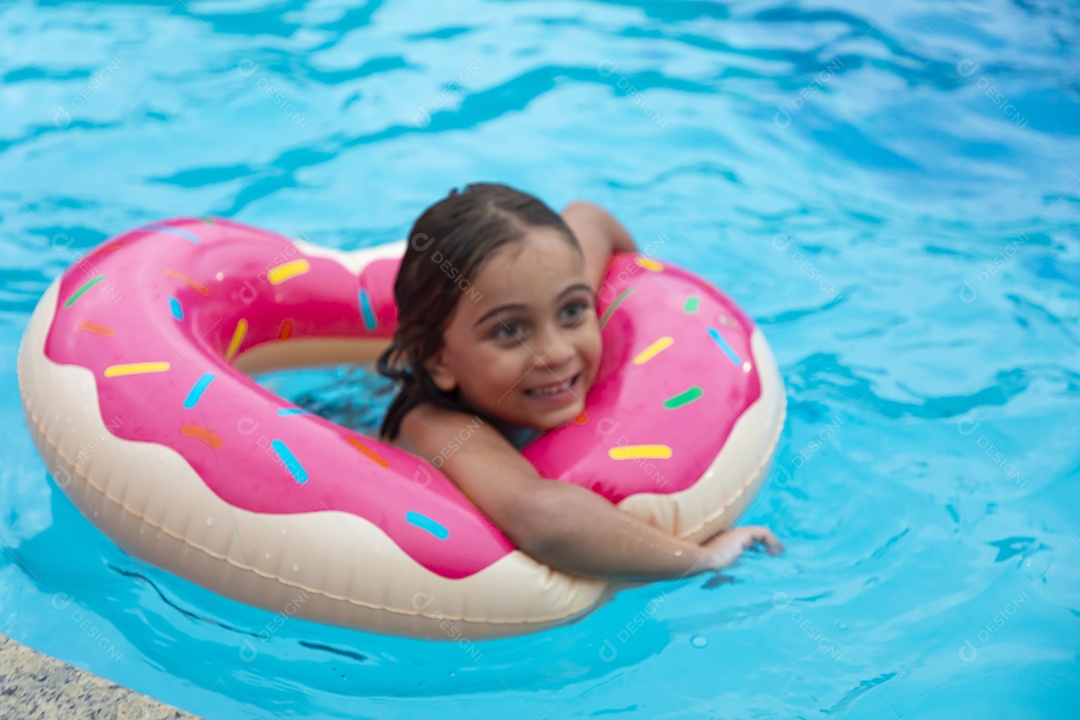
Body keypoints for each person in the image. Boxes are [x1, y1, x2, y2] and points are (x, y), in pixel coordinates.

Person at [377, 182, 783, 582]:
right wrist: (701, 559)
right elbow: (543, 518)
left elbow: (590, 218)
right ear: (438, 361)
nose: (555, 353)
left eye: (572, 310)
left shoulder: (547, 278)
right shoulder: (438, 430)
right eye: (509, 331)